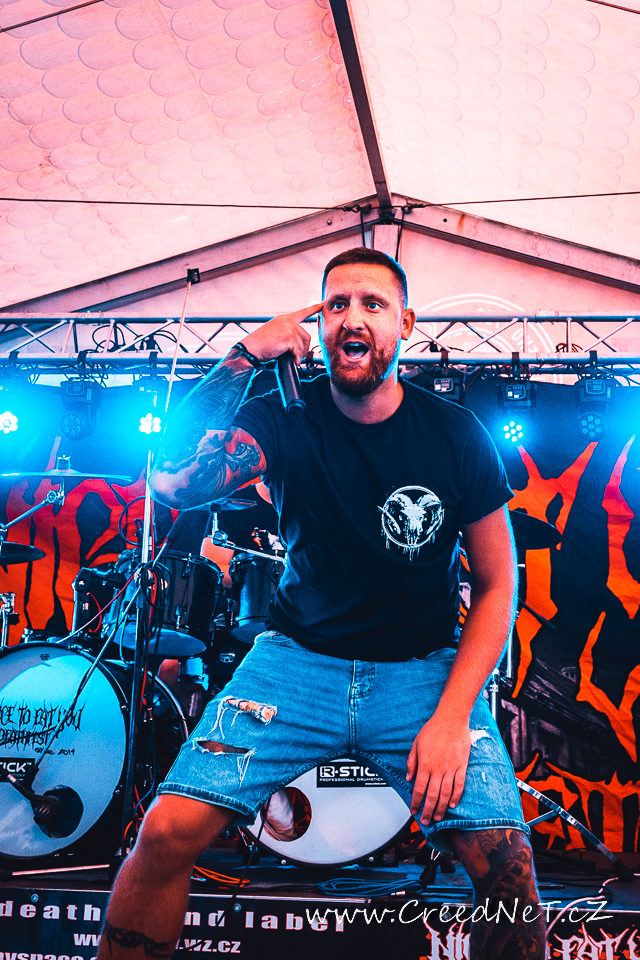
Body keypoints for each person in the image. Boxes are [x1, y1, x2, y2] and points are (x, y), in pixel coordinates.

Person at [98, 248, 545, 960]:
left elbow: (496, 584)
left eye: (372, 304)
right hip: (295, 666)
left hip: (421, 674)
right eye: (336, 305)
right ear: (320, 324)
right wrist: (244, 355)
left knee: (507, 867)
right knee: (163, 835)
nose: (351, 318)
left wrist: (452, 718)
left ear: (405, 323)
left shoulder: (455, 433)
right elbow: (174, 482)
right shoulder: (285, 417)